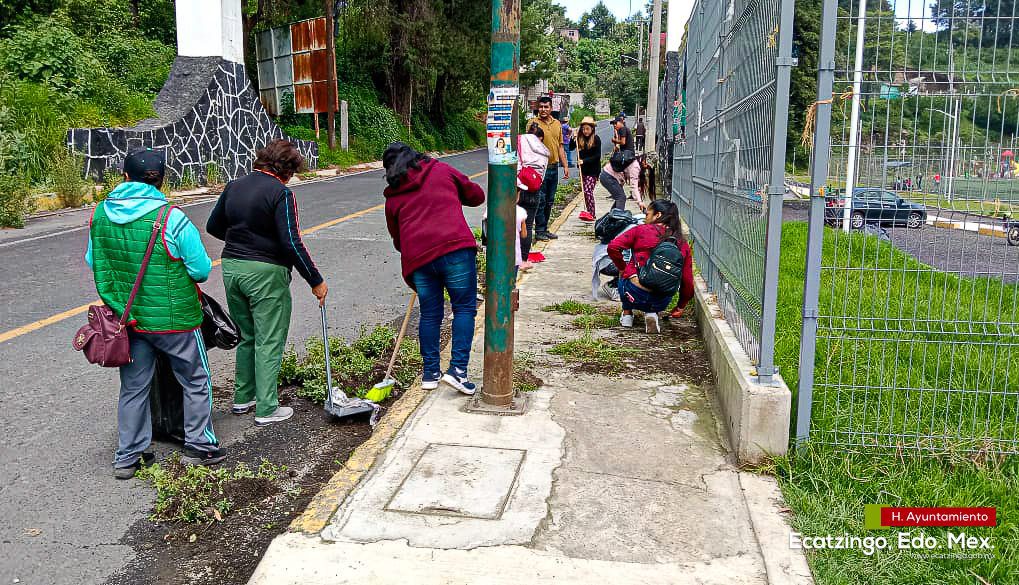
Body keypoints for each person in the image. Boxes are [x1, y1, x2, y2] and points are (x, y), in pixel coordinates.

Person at [85, 148, 225, 478]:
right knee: (195, 379)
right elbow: (201, 270)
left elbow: (95, 262)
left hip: (127, 318)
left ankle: (128, 457)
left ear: (123, 178)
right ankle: (198, 446)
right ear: (162, 180)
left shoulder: (100, 214)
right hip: (175, 320)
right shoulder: (170, 218)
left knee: (134, 387)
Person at [207, 140, 326, 426]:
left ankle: (242, 398)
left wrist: (242, 243)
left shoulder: (234, 186)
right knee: (269, 338)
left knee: (246, 334)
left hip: (232, 268)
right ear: (286, 170)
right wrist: (315, 280)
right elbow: (291, 243)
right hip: (265, 273)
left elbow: (213, 225)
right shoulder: (281, 194)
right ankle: (267, 408)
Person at [383, 142, 485, 395]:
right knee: (463, 308)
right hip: (455, 250)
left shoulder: (393, 197)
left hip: (419, 259)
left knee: (430, 314)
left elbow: (398, 239)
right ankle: (458, 371)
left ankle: (430, 373)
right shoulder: (441, 170)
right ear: (416, 157)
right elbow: (476, 196)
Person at [607, 200, 694, 334]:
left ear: (657, 215)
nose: (645, 218)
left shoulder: (640, 230)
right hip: (662, 300)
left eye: (647, 214)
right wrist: (680, 306)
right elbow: (687, 282)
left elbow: (613, 247)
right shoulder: (681, 242)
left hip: (633, 293)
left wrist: (622, 268)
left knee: (625, 272)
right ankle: (652, 313)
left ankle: (627, 314)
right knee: (661, 281)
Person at [533, 96, 570, 241]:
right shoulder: (533, 123)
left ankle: (545, 228)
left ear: (551, 108)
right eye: (541, 107)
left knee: (549, 200)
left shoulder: (557, 124)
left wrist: (565, 165)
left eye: (546, 107)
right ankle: (539, 230)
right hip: (539, 168)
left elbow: (560, 147)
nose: (543, 110)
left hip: (554, 167)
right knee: (540, 200)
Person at [518, 122, 550, 263]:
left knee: (513, 225)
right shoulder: (544, 152)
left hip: (517, 189)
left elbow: (516, 164)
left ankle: (514, 259)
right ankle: (524, 260)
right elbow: (541, 175)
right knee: (528, 225)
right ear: (540, 138)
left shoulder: (519, 141)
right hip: (534, 190)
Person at [569, 116, 602, 221]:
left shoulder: (596, 139)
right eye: (583, 129)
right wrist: (572, 137)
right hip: (583, 170)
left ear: (592, 129)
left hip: (593, 170)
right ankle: (587, 212)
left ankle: (592, 213)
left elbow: (597, 156)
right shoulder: (580, 138)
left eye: (587, 129)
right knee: (585, 192)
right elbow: (570, 147)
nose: (585, 131)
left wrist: (584, 161)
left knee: (588, 192)